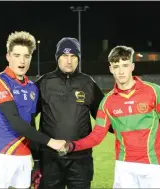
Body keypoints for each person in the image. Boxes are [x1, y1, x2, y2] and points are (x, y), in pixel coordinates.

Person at [63, 45, 160, 188]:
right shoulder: (107, 103)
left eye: (125, 65)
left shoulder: (153, 91)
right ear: (110, 69)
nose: (121, 71)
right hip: (125, 168)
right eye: (116, 66)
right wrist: (73, 145)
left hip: (154, 167)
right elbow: (97, 135)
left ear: (132, 66)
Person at [0, 31, 66, 189]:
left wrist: (38, 162)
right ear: (8, 57)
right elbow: (15, 122)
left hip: (24, 157)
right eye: (17, 55)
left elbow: (31, 124)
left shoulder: (32, 88)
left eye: (26, 56)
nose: (22, 61)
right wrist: (51, 142)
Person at [31, 37, 107, 189]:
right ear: (57, 58)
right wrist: (37, 157)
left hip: (81, 159)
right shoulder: (44, 83)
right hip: (50, 159)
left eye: (73, 56)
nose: (69, 61)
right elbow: (29, 119)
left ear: (78, 59)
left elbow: (106, 116)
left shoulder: (88, 83)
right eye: (65, 56)